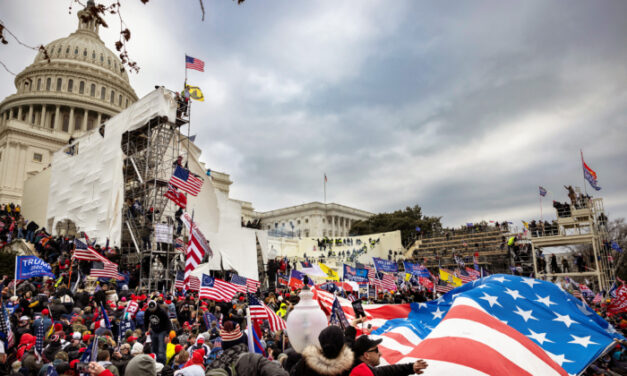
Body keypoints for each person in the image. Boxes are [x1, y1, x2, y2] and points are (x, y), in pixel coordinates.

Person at [289, 325, 354, 376]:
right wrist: (351, 329)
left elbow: (293, 373)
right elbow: (352, 345)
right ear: (342, 344)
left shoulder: (307, 363)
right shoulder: (347, 367)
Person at [350, 335, 427, 376]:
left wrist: (410, 367)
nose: (380, 354)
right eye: (376, 350)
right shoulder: (361, 372)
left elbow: (385, 371)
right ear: (366, 355)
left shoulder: (359, 367)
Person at [144, 300, 172, 364]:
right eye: (151, 309)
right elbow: (145, 321)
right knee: (153, 349)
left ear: (156, 306)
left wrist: (167, 335)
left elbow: (168, 322)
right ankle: (154, 364)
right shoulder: (147, 311)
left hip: (162, 331)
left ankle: (162, 365)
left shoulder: (162, 311)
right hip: (153, 330)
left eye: (153, 309)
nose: (152, 310)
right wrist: (146, 330)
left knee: (161, 350)